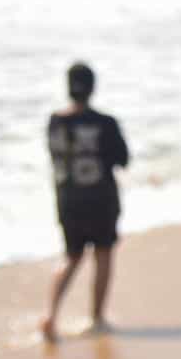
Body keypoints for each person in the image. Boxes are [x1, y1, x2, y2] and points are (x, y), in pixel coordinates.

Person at [41, 63, 130, 343]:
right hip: (100, 198)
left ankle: (51, 316)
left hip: (67, 198)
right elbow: (122, 160)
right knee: (103, 254)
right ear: (93, 87)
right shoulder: (105, 123)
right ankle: (97, 317)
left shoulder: (55, 120)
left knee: (71, 256)